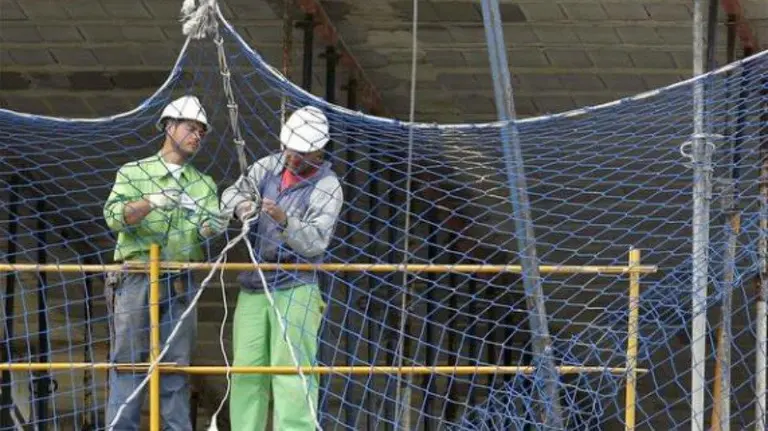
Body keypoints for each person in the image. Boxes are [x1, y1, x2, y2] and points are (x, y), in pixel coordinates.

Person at [103, 95, 226, 430]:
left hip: (180, 279)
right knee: (129, 363)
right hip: (136, 276)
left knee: (175, 367)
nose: (197, 136)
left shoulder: (204, 184)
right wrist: (151, 202)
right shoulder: (134, 173)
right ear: (169, 127)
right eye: (191, 128)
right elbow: (114, 217)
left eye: (202, 131)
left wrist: (211, 227)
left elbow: (204, 229)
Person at [221, 105, 344, 430]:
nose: (292, 156)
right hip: (255, 283)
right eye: (289, 148)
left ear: (318, 151)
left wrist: (284, 220)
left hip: (297, 285)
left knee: (292, 372)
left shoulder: (327, 185)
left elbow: (316, 242)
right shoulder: (268, 167)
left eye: (300, 152)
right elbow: (231, 193)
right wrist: (241, 206)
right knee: (246, 371)